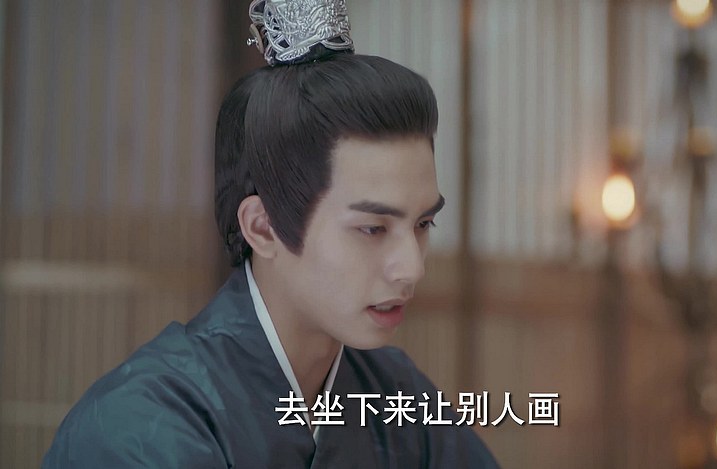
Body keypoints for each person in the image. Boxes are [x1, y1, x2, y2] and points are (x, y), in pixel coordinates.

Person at [42, 0, 499, 467]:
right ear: (263, 227)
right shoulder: (135, 428)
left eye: (423, 224)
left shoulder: (396, 397)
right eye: (372, 228)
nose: (412, 268)